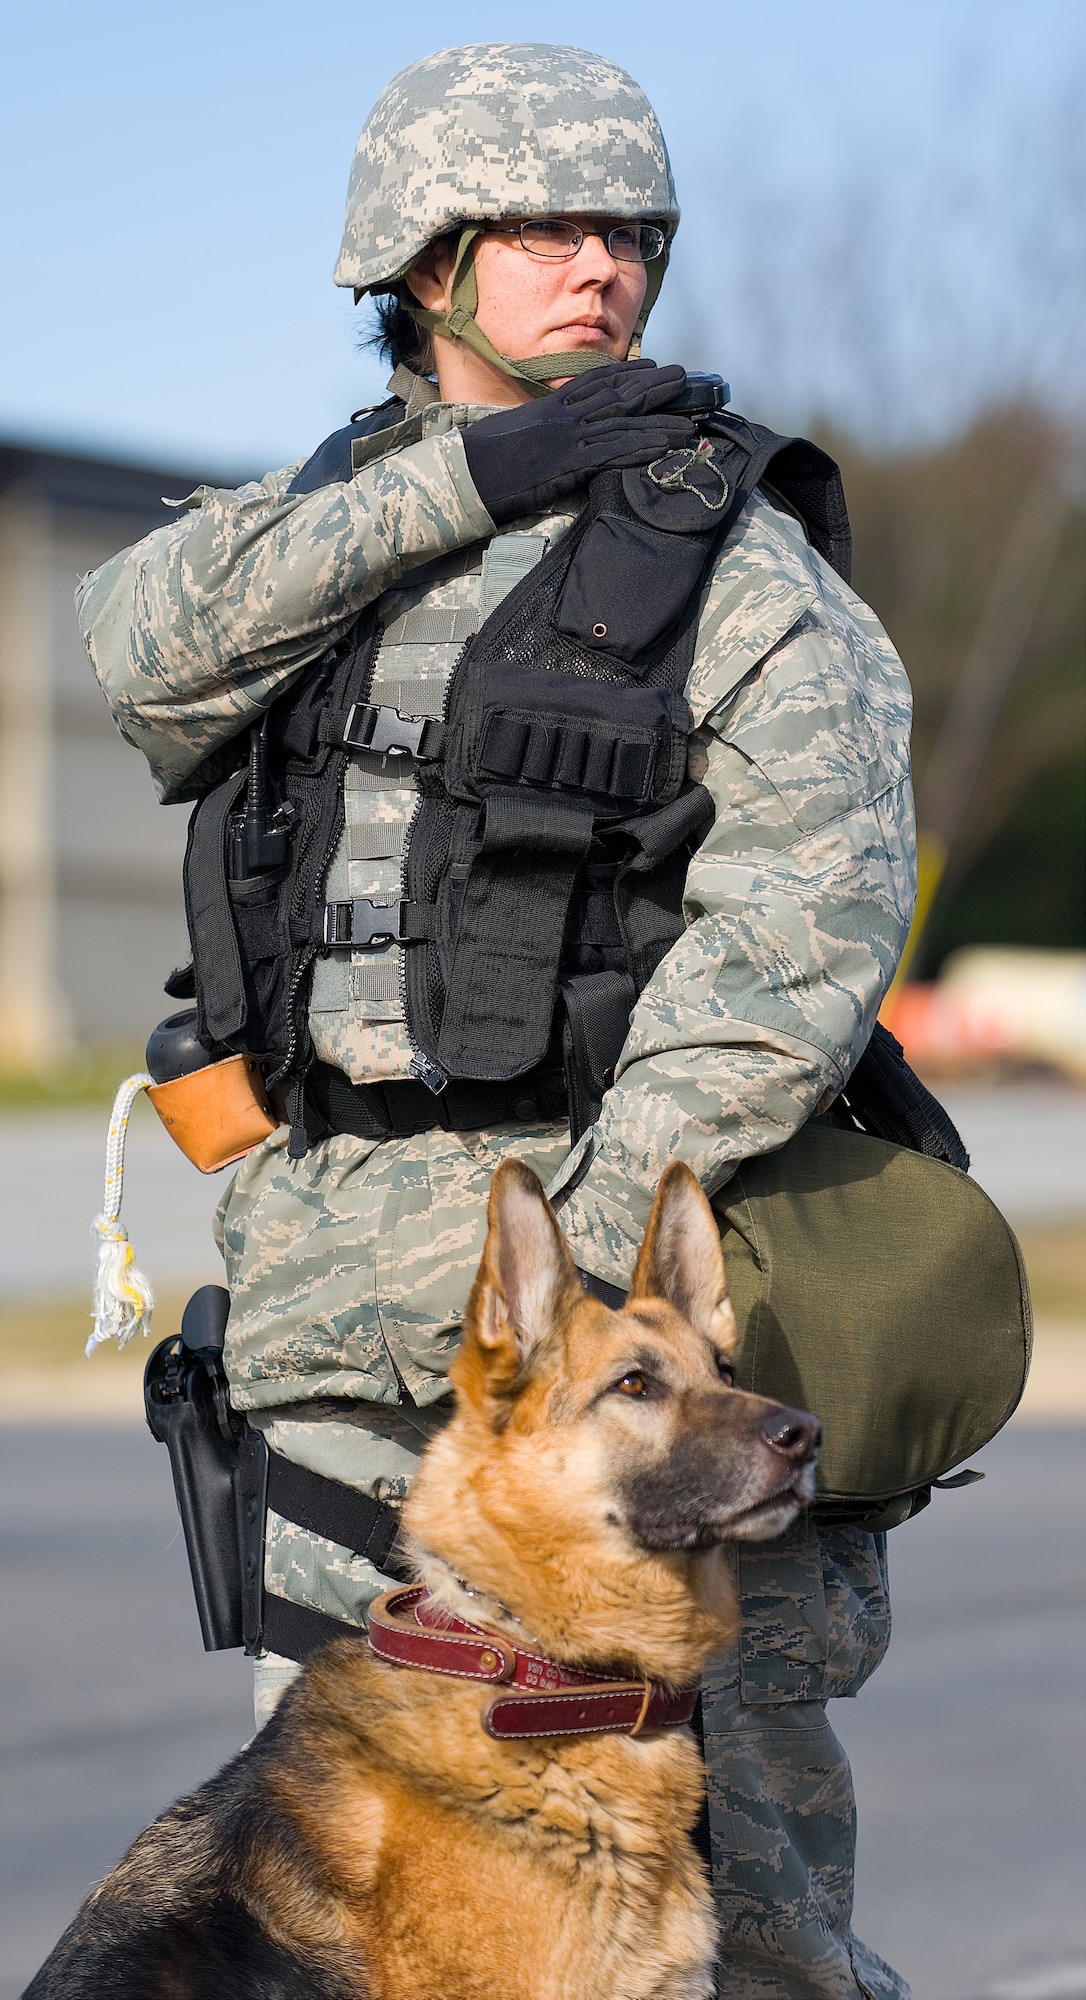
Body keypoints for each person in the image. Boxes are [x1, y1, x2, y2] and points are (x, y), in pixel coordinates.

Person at [78, 43, 913, 1999]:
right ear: (421, 257)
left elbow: (812, 912)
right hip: (331, 1319)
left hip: (621, 1348)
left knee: (743, 1892)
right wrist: (470, 482)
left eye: (629, 228)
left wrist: (602, 1299)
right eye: (544, 223)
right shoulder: (320, 532)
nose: (601, 265)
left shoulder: (733, 561)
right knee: (346, 1916)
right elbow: (140, 652)